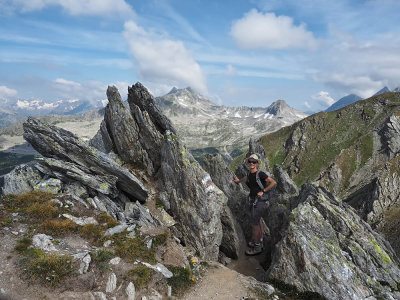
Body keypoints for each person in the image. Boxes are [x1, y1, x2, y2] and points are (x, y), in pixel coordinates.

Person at [233, 154, 277, 255]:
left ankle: (257, 247)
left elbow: (273, 182)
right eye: (250, 162)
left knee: (254, 225)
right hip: (255, 200)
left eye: (254, 162)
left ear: (257, 163)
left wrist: (263, 191)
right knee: (258, 221)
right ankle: (259, 241)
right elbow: (246, 179)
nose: (252, 163)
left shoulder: (260, 174)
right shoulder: (250, 174)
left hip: (259, 201)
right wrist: (238, 181)